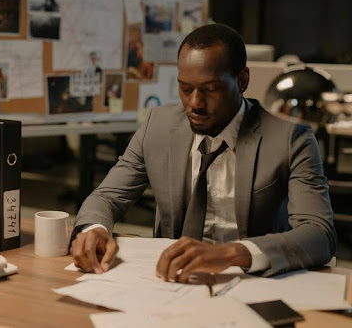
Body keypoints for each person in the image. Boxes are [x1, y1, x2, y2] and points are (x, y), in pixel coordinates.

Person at [70, 23, 336, 282]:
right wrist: (95, 229)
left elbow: (318, 233)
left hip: (252, 280)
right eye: (185, 89)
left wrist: (233, 253)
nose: (195, 103)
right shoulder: (157, 126)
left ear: (242, 81)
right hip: (170, 281)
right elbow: (107, 196)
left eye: (210, 90)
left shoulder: (290, 139)